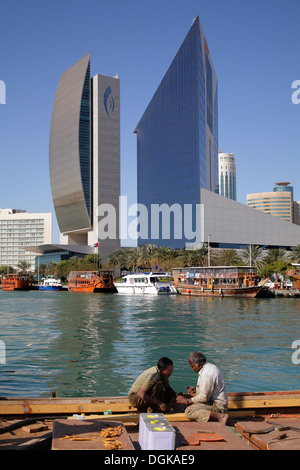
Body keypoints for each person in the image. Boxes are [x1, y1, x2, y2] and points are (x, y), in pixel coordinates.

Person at [176, 352, 228, 424]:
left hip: (217, 406)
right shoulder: (207, 368)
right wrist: (196, 391)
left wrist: (187, 401)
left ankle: (219, 416)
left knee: (189, 411)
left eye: (192, 366)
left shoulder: (207, 374)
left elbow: (204, 398)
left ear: (199, 365)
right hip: (211, 401)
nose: (191, 368)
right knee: (183, 406)